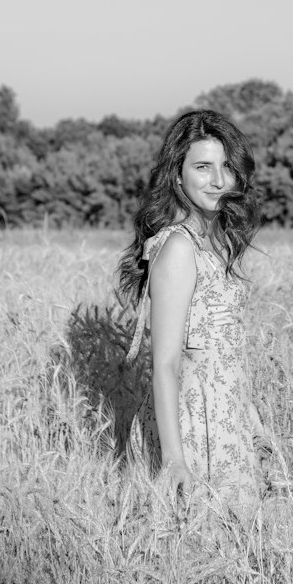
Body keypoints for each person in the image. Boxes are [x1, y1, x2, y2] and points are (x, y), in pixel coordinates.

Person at [118, 109, 267, 505]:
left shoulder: (218, 243)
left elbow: (226, 351)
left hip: (228, 415)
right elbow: (165, 362)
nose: (219, 180)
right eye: (203, 167)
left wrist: (249, 419)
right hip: (191, 424)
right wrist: (173, 461)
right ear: (177, 174)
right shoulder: (180, 247)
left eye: (227, 167)